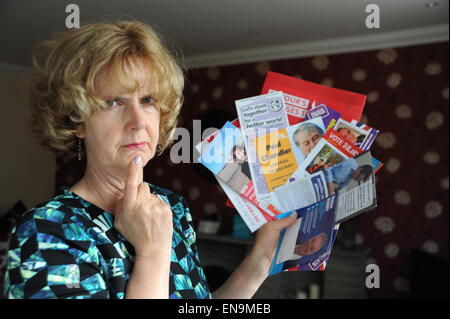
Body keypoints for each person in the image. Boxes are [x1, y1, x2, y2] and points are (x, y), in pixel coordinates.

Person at [3, 20, 297, 299]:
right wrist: (153, 252)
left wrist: (261, 260)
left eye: (147, 101)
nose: (138, 121)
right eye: (113, 102)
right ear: (76, 120)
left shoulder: (171, 208)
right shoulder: (47, 230)